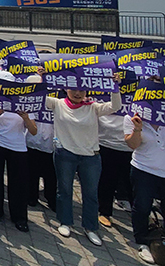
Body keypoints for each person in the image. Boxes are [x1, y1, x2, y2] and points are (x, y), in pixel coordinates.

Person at [39, 67, 122, 246]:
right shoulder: (58, 103)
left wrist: (115, 86)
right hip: (65, 154)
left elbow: (115, 106)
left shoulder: (93, 107)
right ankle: (65, 221)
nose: (77, 93)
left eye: (81, 90)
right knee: (64, 190)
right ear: (65, 88)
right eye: (73, 89)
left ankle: (90, 227)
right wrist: (42, 78)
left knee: (91, 194)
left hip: (90, 156)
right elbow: (39, 97)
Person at [0, 70, 37, 232]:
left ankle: (19, 217)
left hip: (17, 146)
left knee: (18, 183)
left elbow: (34, 131)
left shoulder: (24, 101)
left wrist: (26, 118)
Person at [124, 111, 165, 264]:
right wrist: (138, 128)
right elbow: (132, 144)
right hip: (144, 169)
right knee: (142, 206)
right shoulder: (132, 116)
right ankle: (142, 241)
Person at [24, 73, 57, 213]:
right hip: (31, 141)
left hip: (51, 142)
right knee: (32, 172)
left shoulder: (56, 96)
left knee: (51, 174)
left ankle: (51, 198)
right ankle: (32, 196)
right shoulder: (29, 96)